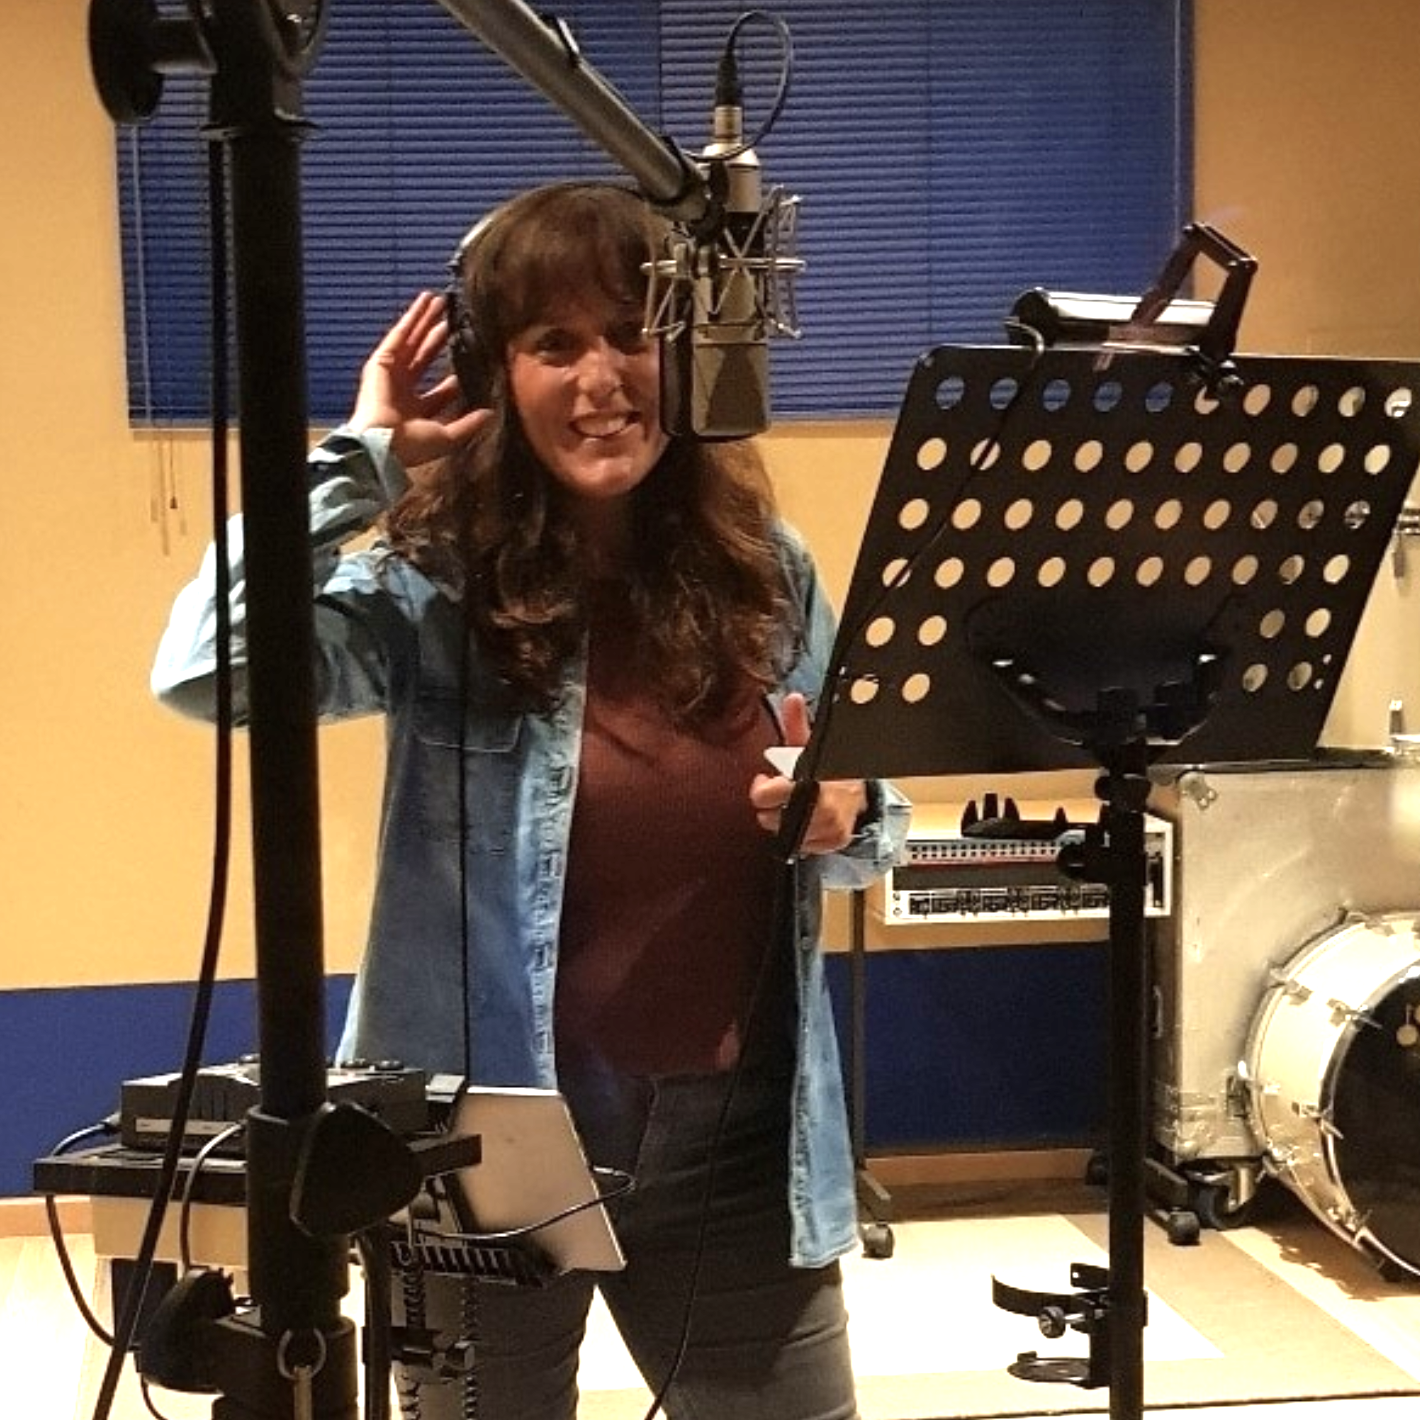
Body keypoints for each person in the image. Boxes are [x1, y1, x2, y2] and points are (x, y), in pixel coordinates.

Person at [152, 179, 910, 1420]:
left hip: (734, 1147)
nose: (602, 375)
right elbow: (202, 669)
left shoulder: (773, 573)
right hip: (481, 1147)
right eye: (554, 343)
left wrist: (847, 815)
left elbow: (862, 805)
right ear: (492, 371)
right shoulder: (430, 585)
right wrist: (361, 460)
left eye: (630, 331)